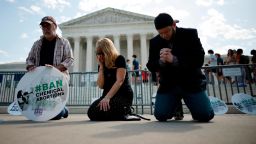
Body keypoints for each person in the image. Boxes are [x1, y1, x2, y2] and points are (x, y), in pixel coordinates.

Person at [146, 13, 214, 122]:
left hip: (191, 82)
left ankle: (198, 103)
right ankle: (176, 105)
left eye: (167, 31)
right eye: (161, 33)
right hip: (169, 85)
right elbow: (150, 65)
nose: (164, 35)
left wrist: (174, 59)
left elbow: (199, 59)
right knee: (160, 115)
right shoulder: (155, 42)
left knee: (205, 116)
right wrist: (161, 61)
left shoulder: (190, 34)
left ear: (173, 25)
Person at [87, 38, 148, 121]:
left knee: (105, 110)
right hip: (107, 95)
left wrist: (107, 98)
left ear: (107, 51)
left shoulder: (119, 59)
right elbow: (101, 85)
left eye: (101, 53)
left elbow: (120, 80)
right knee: (91, 112)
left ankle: (125, 112)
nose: (99, 56)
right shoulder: (102, 63)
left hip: (122, 94)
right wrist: (101, 67)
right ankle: (122, 114)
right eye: (98, 53)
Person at [26, 16, 74, 120]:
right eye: (43, 26)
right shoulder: (37, 44)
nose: (45, 28)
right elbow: (29, 59)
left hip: (57, 80)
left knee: (53, 114)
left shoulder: (63, 42)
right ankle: (63, 109)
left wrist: (55, 69)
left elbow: (69, 59)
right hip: (41, 81)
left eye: (48, 25)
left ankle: (63, 110)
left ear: (55, 26)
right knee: (36, 112)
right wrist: (31, 66)